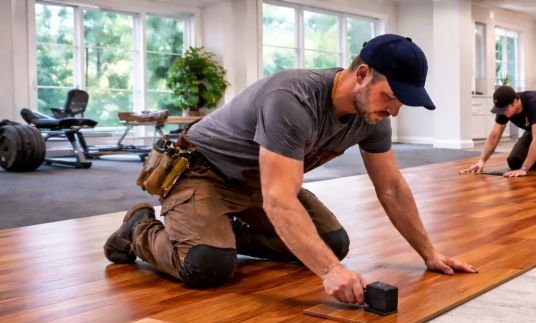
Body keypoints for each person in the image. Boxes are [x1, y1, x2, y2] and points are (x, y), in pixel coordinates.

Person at [104, 34, 477, 305]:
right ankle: (138, 228)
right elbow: (280, 199)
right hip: (203, 174)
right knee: (207, 266)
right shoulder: (292, 98)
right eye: (391, 98)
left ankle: (221, 232)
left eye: (401, 104)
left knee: (333, 245)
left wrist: (428, 253)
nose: (394, 111)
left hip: (260, 184)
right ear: (362, 74)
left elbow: (392, 188)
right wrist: (330, 273)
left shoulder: (372, 117)